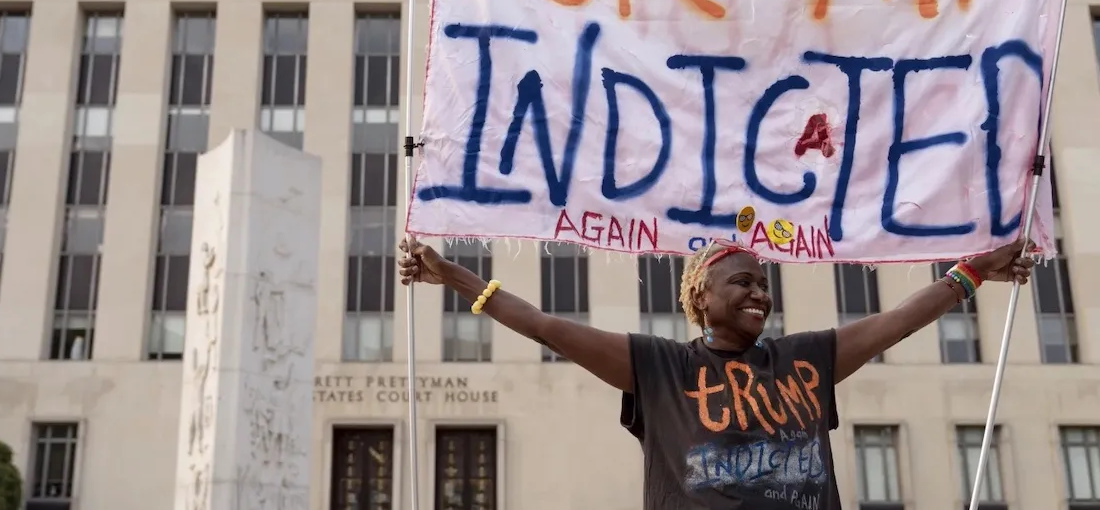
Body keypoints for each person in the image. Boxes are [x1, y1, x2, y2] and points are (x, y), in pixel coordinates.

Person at [398, 236, 1033, 509]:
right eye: (744, 283)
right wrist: (452, 274)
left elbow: (898, 319)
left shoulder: (805, 359)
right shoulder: (660, 367)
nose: (760, 293)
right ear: (700, 294)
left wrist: (971, 271)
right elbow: (544, 326)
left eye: (765, 283)